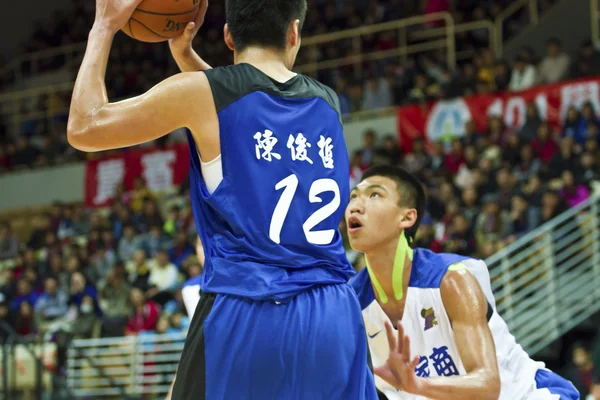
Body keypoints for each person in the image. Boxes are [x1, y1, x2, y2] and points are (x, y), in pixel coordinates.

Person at [67, 0, 376, 398]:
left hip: (249, 308)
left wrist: (104, 27)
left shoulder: (202, 94)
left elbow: (84, 126)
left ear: (229, 36)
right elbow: (245, 105)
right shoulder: (326, 103)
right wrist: (186, 57)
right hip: (333, 312)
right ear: (294, 33)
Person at [346, 165, 580, 399]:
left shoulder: (451, 279)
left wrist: (418, 385)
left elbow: (487, 385)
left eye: (374, 195)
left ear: (407, 217)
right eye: (353, 196)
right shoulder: (351, 301)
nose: (355, 206)